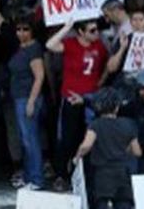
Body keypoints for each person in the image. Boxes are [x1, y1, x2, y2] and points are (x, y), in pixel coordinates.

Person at [0, 0, 45, 190]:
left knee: (30, 139)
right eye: (19, 29)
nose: (21, 33)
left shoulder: (34, 48)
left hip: (27, 98)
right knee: (25, 139)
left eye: (26, 29)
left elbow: (39, 76)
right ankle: (31, 177)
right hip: (18, 96)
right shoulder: (14, 43)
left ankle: (36, 179)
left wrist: (32, 101)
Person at [45, 19, 108, 191]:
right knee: (66, 138)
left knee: (89, 137)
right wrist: (66, 27)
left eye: (97, 30)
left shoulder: (100, 46)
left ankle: (86, 175)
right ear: (81, 32)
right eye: (92, 30)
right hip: (71, 96)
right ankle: (62, 175)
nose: (96, 33)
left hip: (91, 98)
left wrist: (99, 86)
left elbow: (107, 68)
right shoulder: (70, 44)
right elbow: (50, 45)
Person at [74, 87, 141, 209]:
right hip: (123, 174)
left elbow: (86, 145)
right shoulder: (128, 124)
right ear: (117, 107)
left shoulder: (96, 125)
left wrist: (77, 156)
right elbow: (137, 151)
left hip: (102, 175)